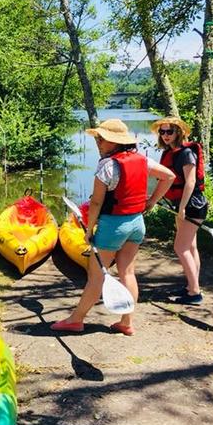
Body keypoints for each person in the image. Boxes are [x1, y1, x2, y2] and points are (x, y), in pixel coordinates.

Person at [51, 119, 174, 336]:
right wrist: (151, 202)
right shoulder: (142, 160)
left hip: (113, 227)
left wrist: (88, 231)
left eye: (102, 138)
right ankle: (126, 322)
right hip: (137, 224)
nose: (98, 142)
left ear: (115, 142)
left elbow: (96, 203)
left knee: (97, 276)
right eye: (98, 138)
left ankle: (76, 320)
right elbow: (169, 176)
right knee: (127, 272)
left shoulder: (107, 166)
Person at [151, 117, 209, 305]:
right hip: (185, 205)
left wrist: (183, 207)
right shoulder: (171, 152)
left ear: (179, 133)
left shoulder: (186, 154)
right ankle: (191, 286)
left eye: (170, 132)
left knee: (180, 247)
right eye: (162, 132)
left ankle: (194, 293)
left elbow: (190, 182)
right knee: (190, 247)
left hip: (193, 205)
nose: (165, 135)